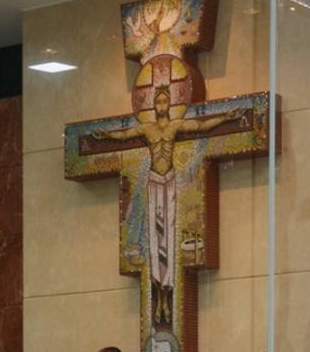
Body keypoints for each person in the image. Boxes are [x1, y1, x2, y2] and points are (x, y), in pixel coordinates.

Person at [93, 92, 243, 327]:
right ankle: (159, 298)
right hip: (154, 183)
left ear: (169, 104)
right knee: (154, 242)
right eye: (158, 102)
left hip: (169, 183)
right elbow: (124, 136)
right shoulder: (147, 129)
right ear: (154, 106)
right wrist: (105, 135)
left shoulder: (176, 126)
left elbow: (201, 126)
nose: (161, 105)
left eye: (164, 101)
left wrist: (226, 118)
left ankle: (167, 296)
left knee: (169, 240)